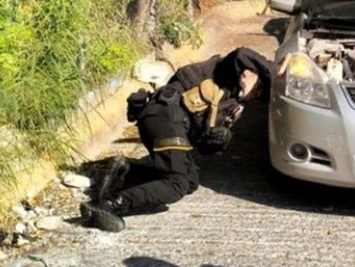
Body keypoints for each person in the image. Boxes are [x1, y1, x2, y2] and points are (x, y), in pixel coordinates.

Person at [81, 47, 274, 232]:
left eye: (258, 94)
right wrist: (273, 72)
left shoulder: (231, 102)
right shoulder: (227, 70)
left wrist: (219, 139)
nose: (255, 94)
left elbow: (203, 146)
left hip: (170, 123)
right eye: (258, 88)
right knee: (176, 184)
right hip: (165, 116)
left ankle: (126, 171)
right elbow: (242, 53)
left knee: (190, 181)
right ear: (251, 73)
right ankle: (109, 204)